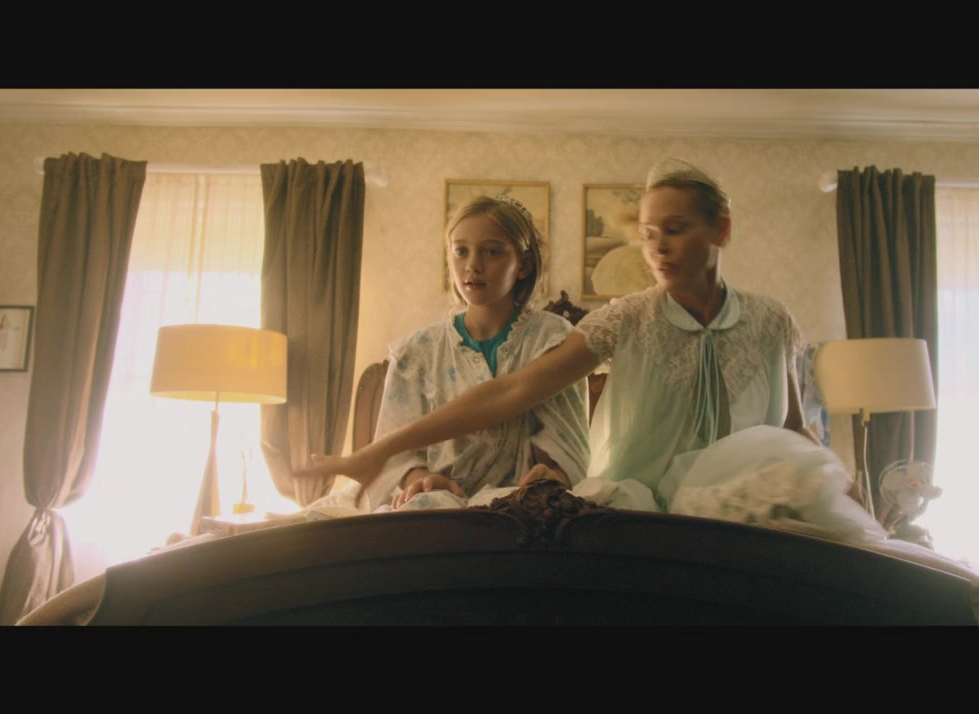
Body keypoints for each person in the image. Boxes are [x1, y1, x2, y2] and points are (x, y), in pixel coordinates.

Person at [302, 159, 878, 538]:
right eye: (648, 234)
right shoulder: (626, 318)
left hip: (755, 501)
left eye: (676, 229)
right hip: (649, 504)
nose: (658, 248)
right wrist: (384, 453)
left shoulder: (772, 319)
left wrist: (852, 495)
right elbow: (511, 391)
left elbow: (794, 427)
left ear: (720, 230)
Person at [311, 194, 590, 513]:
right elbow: (396, 450)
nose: (473, 265)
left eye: (492, 251)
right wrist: (421, 478)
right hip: (436, 502)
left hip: (522, 503)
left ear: (523, 264)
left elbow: (570, 442)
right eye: (461, 251)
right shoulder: (416, 352)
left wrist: (555, 474)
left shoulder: (553, 340)